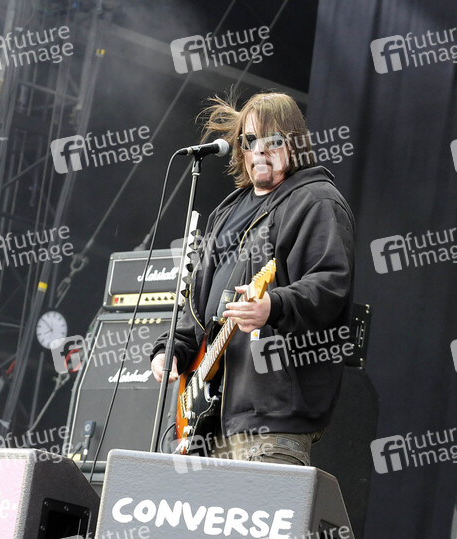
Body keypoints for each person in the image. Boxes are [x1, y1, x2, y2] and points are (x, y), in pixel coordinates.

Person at [151, 92, 355, 466]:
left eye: (272, 140)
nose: (259, 150)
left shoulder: (316, 201)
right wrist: (174, 347)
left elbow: (330, 285)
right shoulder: (227, 211)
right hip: (209, 422)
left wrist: (273, 305)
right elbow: (198, 303)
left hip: (272, 421)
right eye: (250, 140)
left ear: (294, 143)